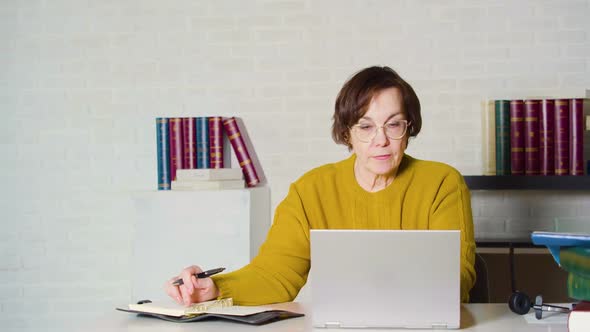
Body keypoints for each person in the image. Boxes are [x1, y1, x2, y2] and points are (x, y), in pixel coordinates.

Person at [164, 66, 476, 306]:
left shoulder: (442, 183)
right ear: (346, 134)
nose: (380, 140)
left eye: (393, 124)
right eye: (365, 126)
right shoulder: (311, 189)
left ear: (409, 128)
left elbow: (458, 279)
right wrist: (216, 288)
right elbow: (275, 274)